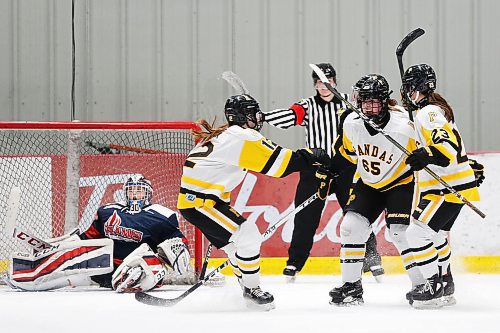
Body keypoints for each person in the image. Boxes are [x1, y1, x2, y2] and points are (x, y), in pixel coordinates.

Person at [177, 94, 328, 310]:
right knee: (248, 235)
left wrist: (310, 162)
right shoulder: (241, 137)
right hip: (201, 203)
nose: (259, 118)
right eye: (253, 113)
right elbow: (282, 165)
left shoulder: (227, 135)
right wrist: (314, 156)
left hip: (201, 202)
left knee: (235, 247)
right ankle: (252, 290)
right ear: (243, 116)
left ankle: (247, 291)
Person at [263, 63, 383, 281]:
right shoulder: (307, 106)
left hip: (346, 167)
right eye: (319, 82)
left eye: (328, 82)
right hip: (315, 169)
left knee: (358, 214)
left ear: (335, 82)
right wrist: (261, 117)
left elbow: (373, 109)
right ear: (315, 85)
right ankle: (294, 263)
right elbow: (289, 116)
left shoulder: (350, 101)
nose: (324, 86)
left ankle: (372, 259)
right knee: (305, 217)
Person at [326, 74, 425, 306]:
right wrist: (330, 174)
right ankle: (352, 287)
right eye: (364, 102)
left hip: (400, 182)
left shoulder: (404, 128)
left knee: (400, 232)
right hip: (369, 183)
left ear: (384, 102)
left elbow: (429, 151)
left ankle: (422, 284)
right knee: (350, 227)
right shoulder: (351, 123)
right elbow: (345, 155)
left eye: (374, 102)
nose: (369, 108)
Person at [8, 174, 192, 292]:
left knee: (149, 263)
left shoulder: (161, 216)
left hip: (137, 269)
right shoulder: (108, 211)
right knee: (66, 277)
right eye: (132, 191)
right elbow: (88, 237)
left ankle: (130, 279)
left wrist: (177, 250)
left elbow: (177, 242)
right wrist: (67, 244)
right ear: (126, 193)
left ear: (148, 194)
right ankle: (26, 277)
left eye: (140, 191)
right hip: (104, 268)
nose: (135, 195)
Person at [401, 64, 482, 309]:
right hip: (453, 186)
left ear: (420, 88)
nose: (406, 93)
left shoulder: (429, 112)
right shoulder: (431, 110)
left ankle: (433, 285)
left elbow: (445, 148)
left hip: (447, 187)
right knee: (435, 234)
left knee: (415, 233)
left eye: (409, 88)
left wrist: (426, 154)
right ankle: (445, 283)